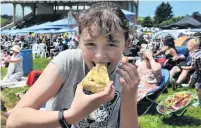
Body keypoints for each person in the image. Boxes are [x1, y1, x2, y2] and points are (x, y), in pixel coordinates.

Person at [6, 2, 140, 128]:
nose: (100, 55)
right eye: (90, 44)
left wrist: (129, 98)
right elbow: (15, 120)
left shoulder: (126, 78)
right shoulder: (68, 62)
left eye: (111, 44)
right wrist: (71, 116)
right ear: (79, 41)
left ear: (126, 44)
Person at [185, 38, 201, 107]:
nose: (186, 47)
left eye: (187, 46)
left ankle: (199, 102)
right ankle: (189, 85)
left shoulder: (193, 55)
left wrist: (186, 68)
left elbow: (193, 66)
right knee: (192, 76)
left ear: (192, 47)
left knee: (198, 87)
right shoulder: (199, 51)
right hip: (198, 71)